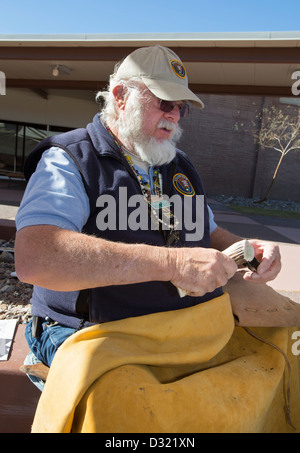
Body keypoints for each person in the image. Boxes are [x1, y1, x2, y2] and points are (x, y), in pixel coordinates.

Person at [15, 45, 281, 391]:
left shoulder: (177, 165)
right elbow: (36, 257)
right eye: (164, 102)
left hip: (177, 325)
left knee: (277, 352)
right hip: (90, 332)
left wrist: (247, 248)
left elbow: (206, 231)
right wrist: (172, 264)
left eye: (181, 108)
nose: (174, 115)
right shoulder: (69, 158)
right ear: (121, 97)